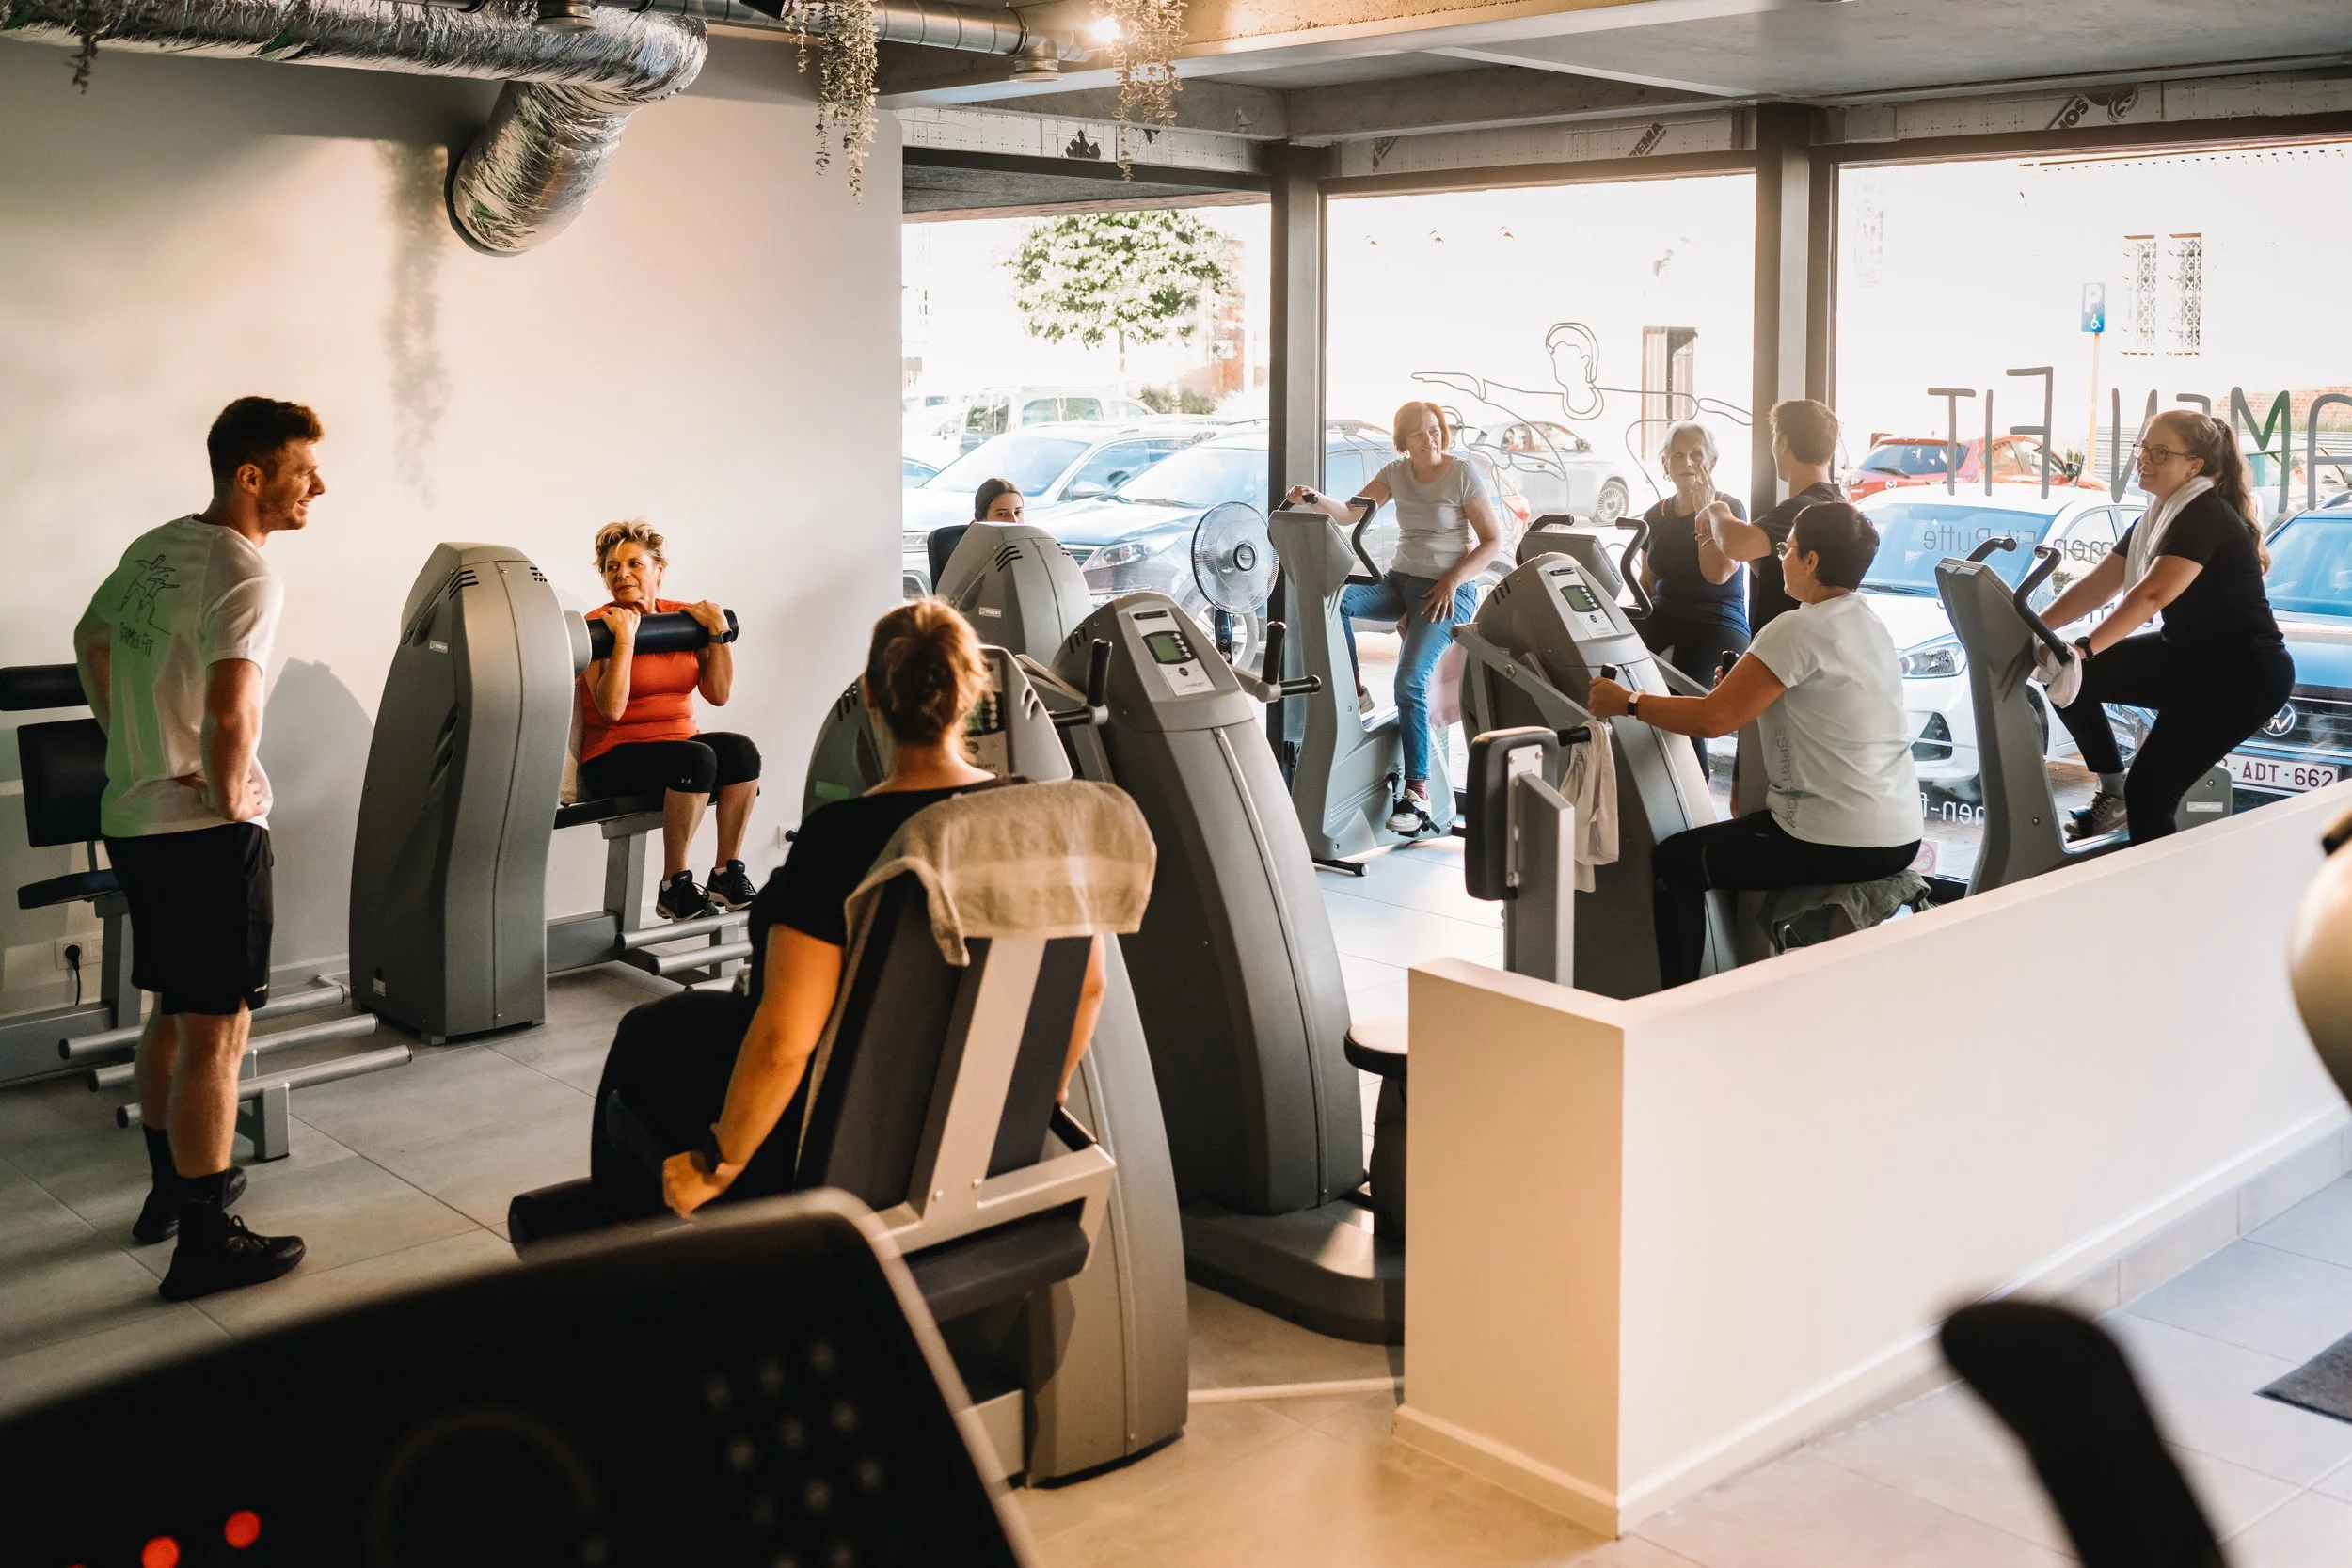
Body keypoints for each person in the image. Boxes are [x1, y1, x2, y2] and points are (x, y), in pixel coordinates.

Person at [591, 600, 1111, 1220]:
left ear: (870, 696)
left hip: (836, 1122)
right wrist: (1040, 1097)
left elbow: (787, 1040)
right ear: (974, 693)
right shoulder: (1040, 823)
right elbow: (1087, 986)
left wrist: (718, 1163)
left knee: (645, 1036)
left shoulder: (838, 839)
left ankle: (606, 1251)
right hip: (957, 1104)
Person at [72, 397, 320, 1298]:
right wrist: (224, 793)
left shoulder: (158, 547)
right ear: (252, 476)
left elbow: (92, 638)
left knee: (173, 1011)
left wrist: (131, 743)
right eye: (303, 471)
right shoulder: (247, 572)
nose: (317, 487)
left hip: (135, 818)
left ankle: (171, 1196)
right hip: (204, 836)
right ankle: (206, 1244)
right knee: (219, 1031)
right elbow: (230, 712)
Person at [1588, 502, 1922, 989]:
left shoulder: (1797, 627)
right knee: (1733, 844)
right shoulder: (1869, 624)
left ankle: (1679, 1002)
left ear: (1811, 560)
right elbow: (1810, 703)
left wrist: (1626, 702)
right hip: (1901, 831)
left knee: (1676, 862)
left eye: (1787, 548)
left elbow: (1713, 720)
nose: (1780, 557)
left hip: (1838, 836)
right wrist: (1737, 688)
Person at [2040, 409, 2294, 843]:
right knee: (2066, 674)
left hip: (2242, 676)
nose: (2145, 459)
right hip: (2188, 656)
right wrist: (2031, 626)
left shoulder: (2204, 515)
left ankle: (2155, 881)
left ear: (2194, 466)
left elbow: (2152, 595)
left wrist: (2085, 648)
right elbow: (2097, 587)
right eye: (2143, 448)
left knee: (2151, 792)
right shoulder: (2158, 518)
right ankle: (2113, 793)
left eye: (2161, 452)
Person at [1284, 401, 1506, 832]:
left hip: (1448, 591)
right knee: (1336, 601)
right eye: (1419, 432)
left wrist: (1452, 580)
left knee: (1408, 682)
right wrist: (1312, 497)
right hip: (1401, 582)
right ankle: (1357, 688)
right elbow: (1350, 513)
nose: (1430, 439)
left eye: (1435, 429)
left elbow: (1492, 541)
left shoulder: (1462, 473)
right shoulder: (1394, 474)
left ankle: (1417, 791)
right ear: (1404, 439)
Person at [578, 520, 761, 921]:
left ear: (658, 569)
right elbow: (611, 709)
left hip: (679, 746)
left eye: (634, 563)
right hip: (612, 755)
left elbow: (718, 695)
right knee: (696, 759)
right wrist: (625, 639)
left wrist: (719, 633)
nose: (622, 573)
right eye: (612, 567)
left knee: (741, 751)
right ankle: (674, 885)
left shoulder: (685, 619)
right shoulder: (596, 627)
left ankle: (726, 874)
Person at [1629, 420, 1750, 770]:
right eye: (1677, 455)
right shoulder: (1655, 514)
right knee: (1608, 665)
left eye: (1696, 455)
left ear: (1712, 462)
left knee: (1681, 702)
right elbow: (1648, 583)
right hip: (1664, 613)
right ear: (1665, 464)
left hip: (1716, 618)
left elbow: (1718, 574)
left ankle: (1695, 782)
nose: (1687, 463)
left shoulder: (1727, 507)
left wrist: (1703, 512)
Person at [1708, 398, 1848, 636]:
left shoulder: (1804, 509)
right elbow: (1777, 576)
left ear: (1783, 443)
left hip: (1785, 645)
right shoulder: (1836, 502)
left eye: (1774, 437)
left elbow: (1736, 544)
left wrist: (1715, 507)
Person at [924, 477, 1024, 585]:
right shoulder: (969, 553)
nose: (1014, 521)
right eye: (1002, 514)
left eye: (1017, 512)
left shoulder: (1026, 545)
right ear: (981, 518)